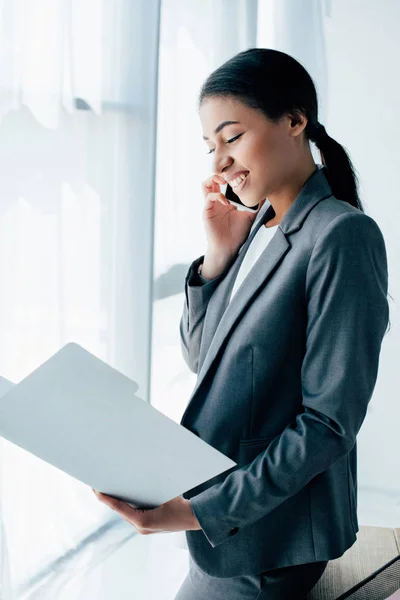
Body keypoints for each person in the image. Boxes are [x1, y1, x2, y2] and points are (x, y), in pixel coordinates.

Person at [174, 48, 390, 599]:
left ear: (294, 121)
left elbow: (328, 424)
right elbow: (206, 363)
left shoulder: (342, 234)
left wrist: (201, 511)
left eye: (232, 137)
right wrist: (218, 258)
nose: (218, 162)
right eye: (210, 147)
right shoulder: (256, 227)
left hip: (271, 541)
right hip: (227, 536)